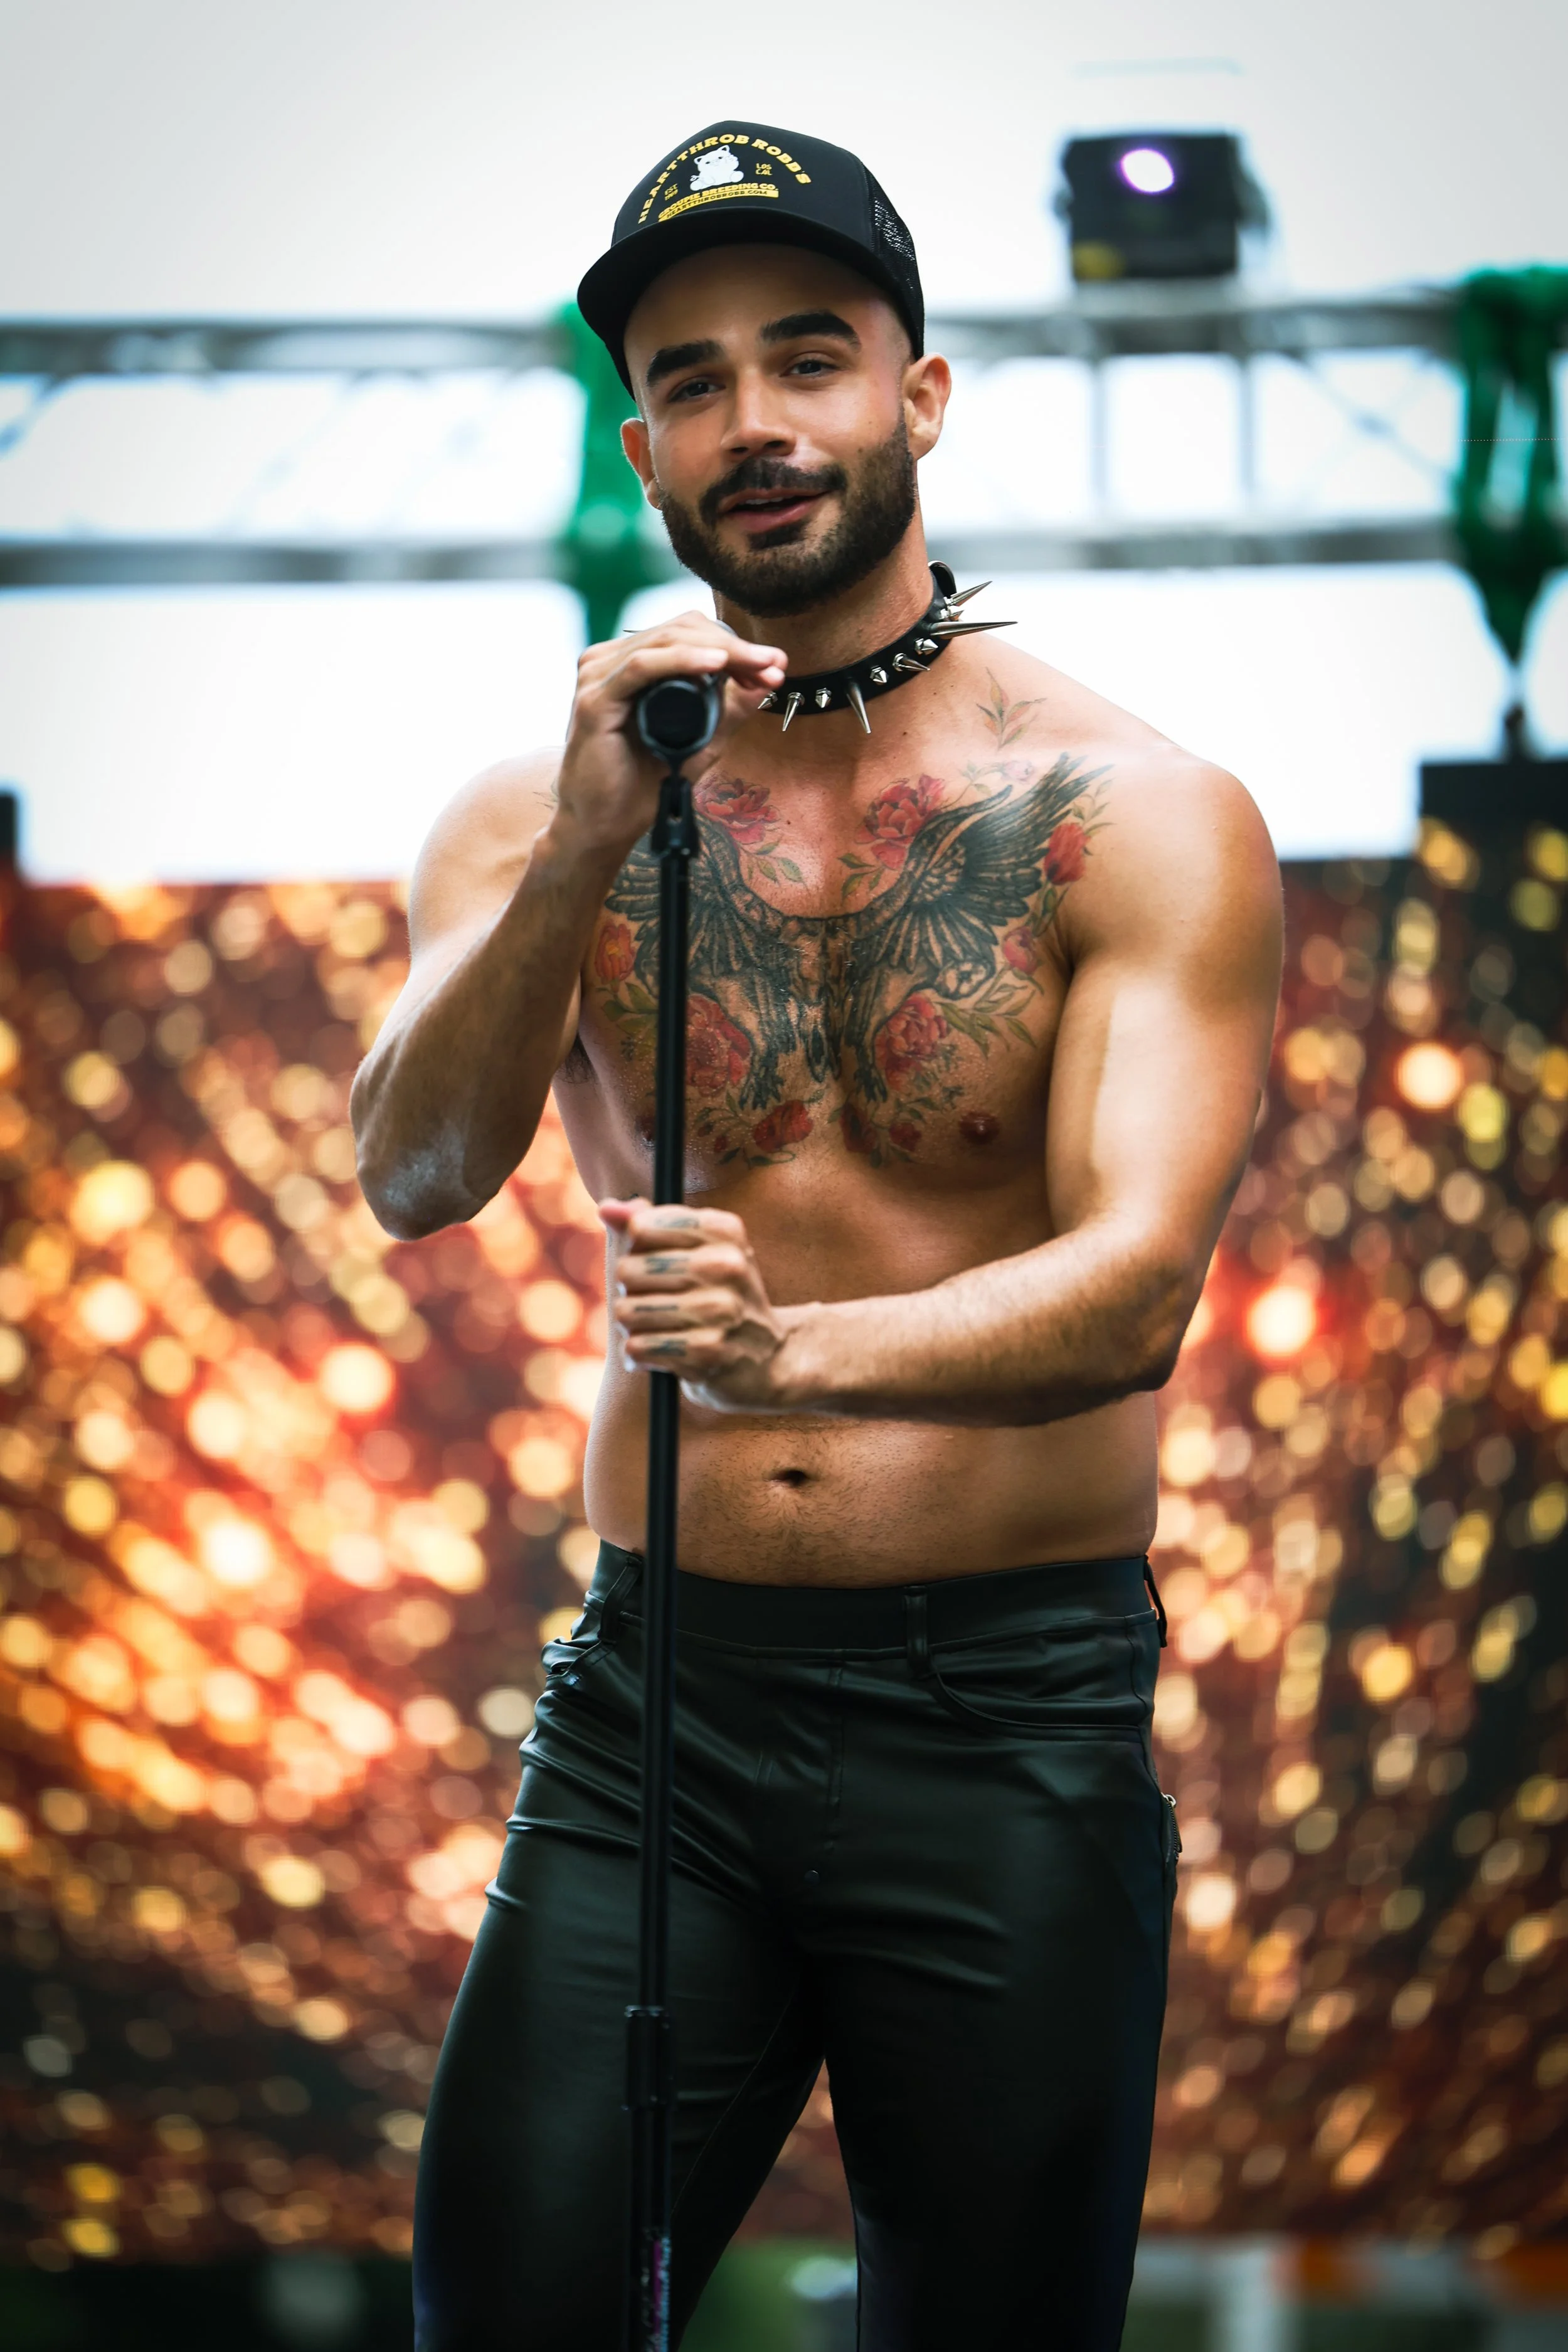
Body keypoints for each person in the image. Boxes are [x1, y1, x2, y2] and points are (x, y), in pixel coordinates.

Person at [352, 120, 1281, 2352]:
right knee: (510, 2310)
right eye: (691, 382)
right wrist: (585, 839)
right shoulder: (537, 807)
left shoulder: (1131, 813)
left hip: (1006, 1708)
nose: (755, 425)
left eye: (808, 360)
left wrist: (795, 1358)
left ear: (918, 396)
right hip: (658, 1703)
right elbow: (415, 1167)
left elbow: (1136, 1288)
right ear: (645, 444)